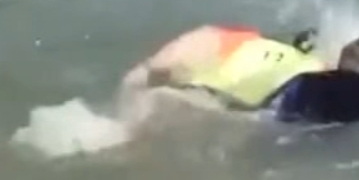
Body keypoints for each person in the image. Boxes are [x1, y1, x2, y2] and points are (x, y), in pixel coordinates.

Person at [118, 23, 326, 111]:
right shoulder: (308, 60)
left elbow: (154, 70)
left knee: (150, 85)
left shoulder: (209, 42)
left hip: (246, 86)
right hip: (290, 76)